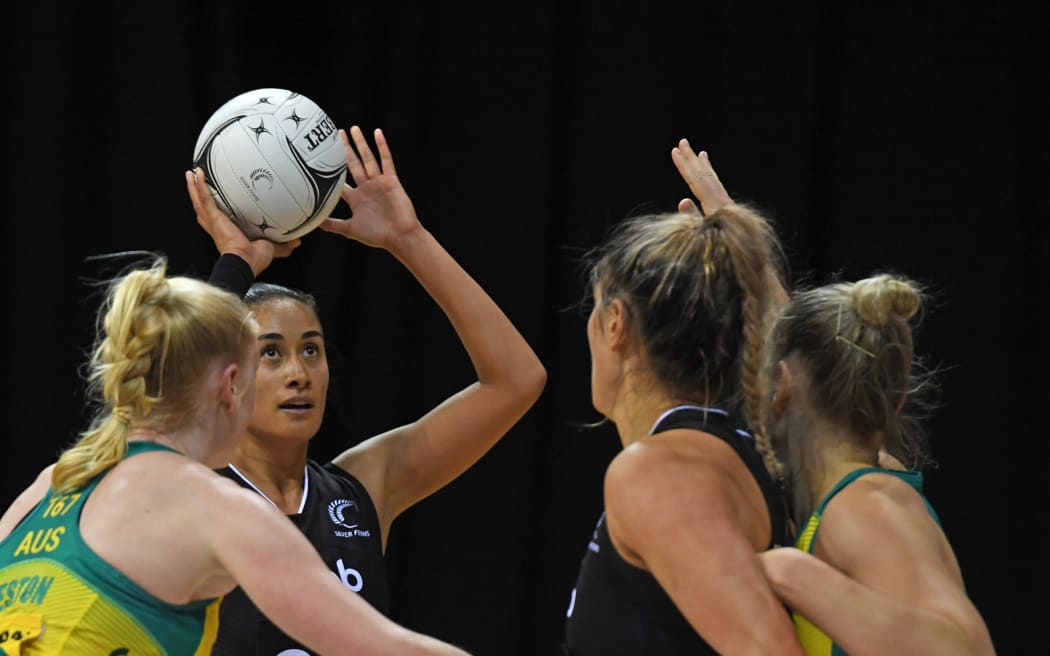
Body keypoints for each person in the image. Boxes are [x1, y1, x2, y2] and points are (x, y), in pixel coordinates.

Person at [184, 125, 547, 654]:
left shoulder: (359, 489)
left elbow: (516, 380)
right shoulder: (184, 488)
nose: (298, 372)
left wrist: (409, 239)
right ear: (227, 376)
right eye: (271, 353)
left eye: (311, 350)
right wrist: (235, 263)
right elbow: (171, 388)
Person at [0, 257, 470, 655]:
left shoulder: (57, 480)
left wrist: (236, 261)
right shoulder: (218, 508)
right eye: (263, 362)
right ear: (231, 386)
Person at [562, 141, 805, 655]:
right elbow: (810, 393)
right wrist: (752, 271)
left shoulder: (661, 473)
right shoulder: (738, 449)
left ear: (615, 324)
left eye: (594, 307)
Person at [758, 273, 997, 656]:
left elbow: (959, 650)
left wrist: (789, 573)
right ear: (897, 400)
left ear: (781, 384)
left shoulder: (865, 507)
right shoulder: (855, 493)